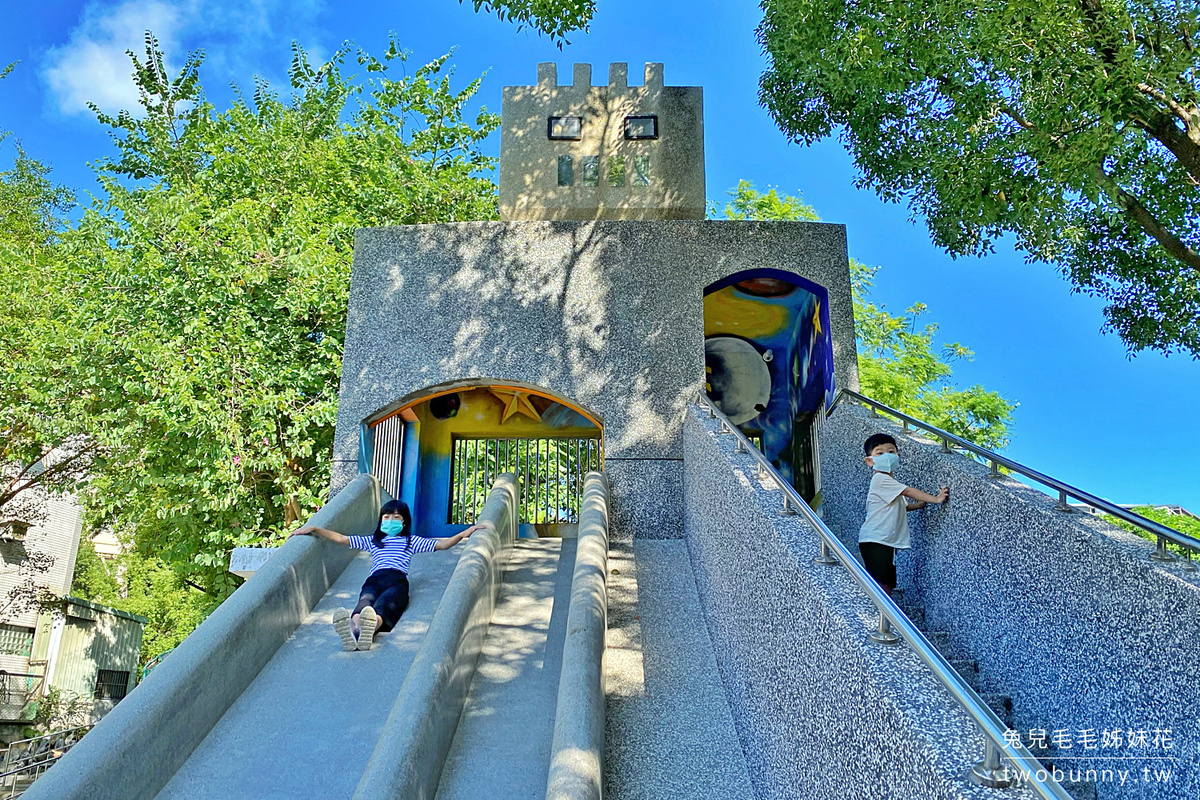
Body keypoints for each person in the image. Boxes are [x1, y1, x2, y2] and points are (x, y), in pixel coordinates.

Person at [291, 500, 486, 651]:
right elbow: (342, 539)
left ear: (404, 522)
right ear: (380, 520)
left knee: (385, 605)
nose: (390, 520)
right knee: (363, 604)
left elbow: (443, 545)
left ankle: (367, 629)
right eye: (386, 517)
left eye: (396, 517)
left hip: (396, 580)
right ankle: (354, 630)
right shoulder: (373, 541)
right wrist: (314, 529)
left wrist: (464, 533)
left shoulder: (411, 541)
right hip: (374, 579)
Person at [859, 433, 949, 596]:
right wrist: (936, 499)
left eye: (891, 452)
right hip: (875, 539)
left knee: (888, 582)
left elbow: (902, 507)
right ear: (870, 461)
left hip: (884, 541)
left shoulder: (888, 485)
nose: (887, 456)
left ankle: (884, 615)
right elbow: (908, 491)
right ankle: (878, 616)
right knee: (882, 582)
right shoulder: (880, 479)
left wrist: (920, 505)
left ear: (898, 456)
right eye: (880, 453)